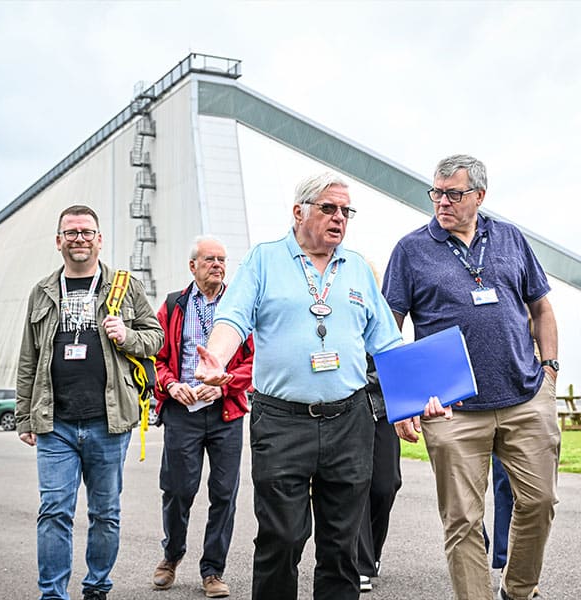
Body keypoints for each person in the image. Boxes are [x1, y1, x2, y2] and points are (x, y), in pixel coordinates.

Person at [194, 173, 404, 600]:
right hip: (282, 421)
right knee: (283, 538)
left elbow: (388, 341)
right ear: (299, 212)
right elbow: (233, 317)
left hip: (350, 420)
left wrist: (414, 398)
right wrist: (217, 356)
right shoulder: (264, 260)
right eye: (329, 208)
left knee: (343, 547)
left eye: (346, 211)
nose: (339, 218)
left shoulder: (358, 268)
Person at [383, 154, 560, 600]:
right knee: (463, 520)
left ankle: (517, 589)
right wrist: (405, 400)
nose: (442, 201)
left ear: (480, 196)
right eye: (437, 192)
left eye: (453, 193)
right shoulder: (411, 249)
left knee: (539, 502)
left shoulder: (510, 238)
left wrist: (550, 371)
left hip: (525, 396)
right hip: (453, 410)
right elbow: (389, 325)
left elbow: (541, 307)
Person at [15, 205, 164, 600]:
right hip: (55, 423)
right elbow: (28, 358)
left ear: (99, 239)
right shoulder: (43, 291)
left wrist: (127, 336)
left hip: (108, 423)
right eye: (71, 232)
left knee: (105, 515)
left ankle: (97, 587)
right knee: (54, 512)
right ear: (58, 241)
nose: (79, 238)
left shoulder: (124, 286)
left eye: (86, 231)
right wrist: (23, 417)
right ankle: (53, 594)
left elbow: (157, 338)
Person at [151, 236, 254, 598]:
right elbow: (157, 359)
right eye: (209, 259)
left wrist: (225, 386)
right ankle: (171, 555)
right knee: (178, 490)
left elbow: (255, 362)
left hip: (225, 413)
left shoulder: (240, 305)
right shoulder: (173, 305)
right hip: (183, 411)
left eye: (222, 259)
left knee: (224, 493)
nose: (217, 265)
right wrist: (170, 385)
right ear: (192, 265)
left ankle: (213, 571)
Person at [357, 354, 402, 593]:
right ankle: (360, 564)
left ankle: (372, 552)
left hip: (383, 407)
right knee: (356, 485)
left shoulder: (383, 317)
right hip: (346, 409)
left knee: (387, 485)